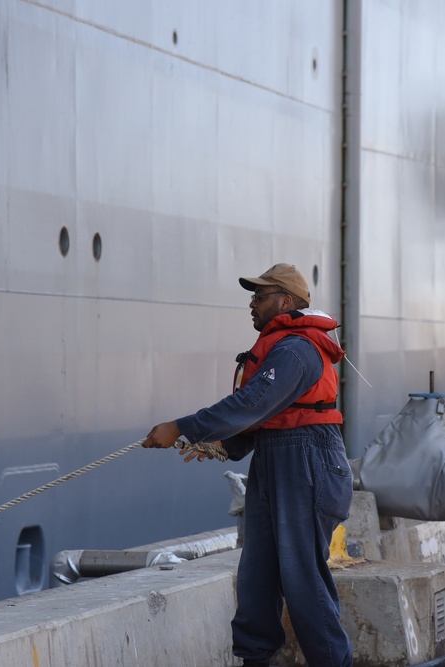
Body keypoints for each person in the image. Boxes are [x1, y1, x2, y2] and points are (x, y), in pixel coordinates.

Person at [142, 263, 354, 667]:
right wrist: (223, 443)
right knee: (258, 573)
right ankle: (254, 659)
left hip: (306, 464)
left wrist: (182, 426)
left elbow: (253, 403)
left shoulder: (295, 350)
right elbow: (270, 417)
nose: (251, 305)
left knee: (302, 578)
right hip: (278, 458)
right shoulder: (284, 347)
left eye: (259, 297)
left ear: (286, 301)